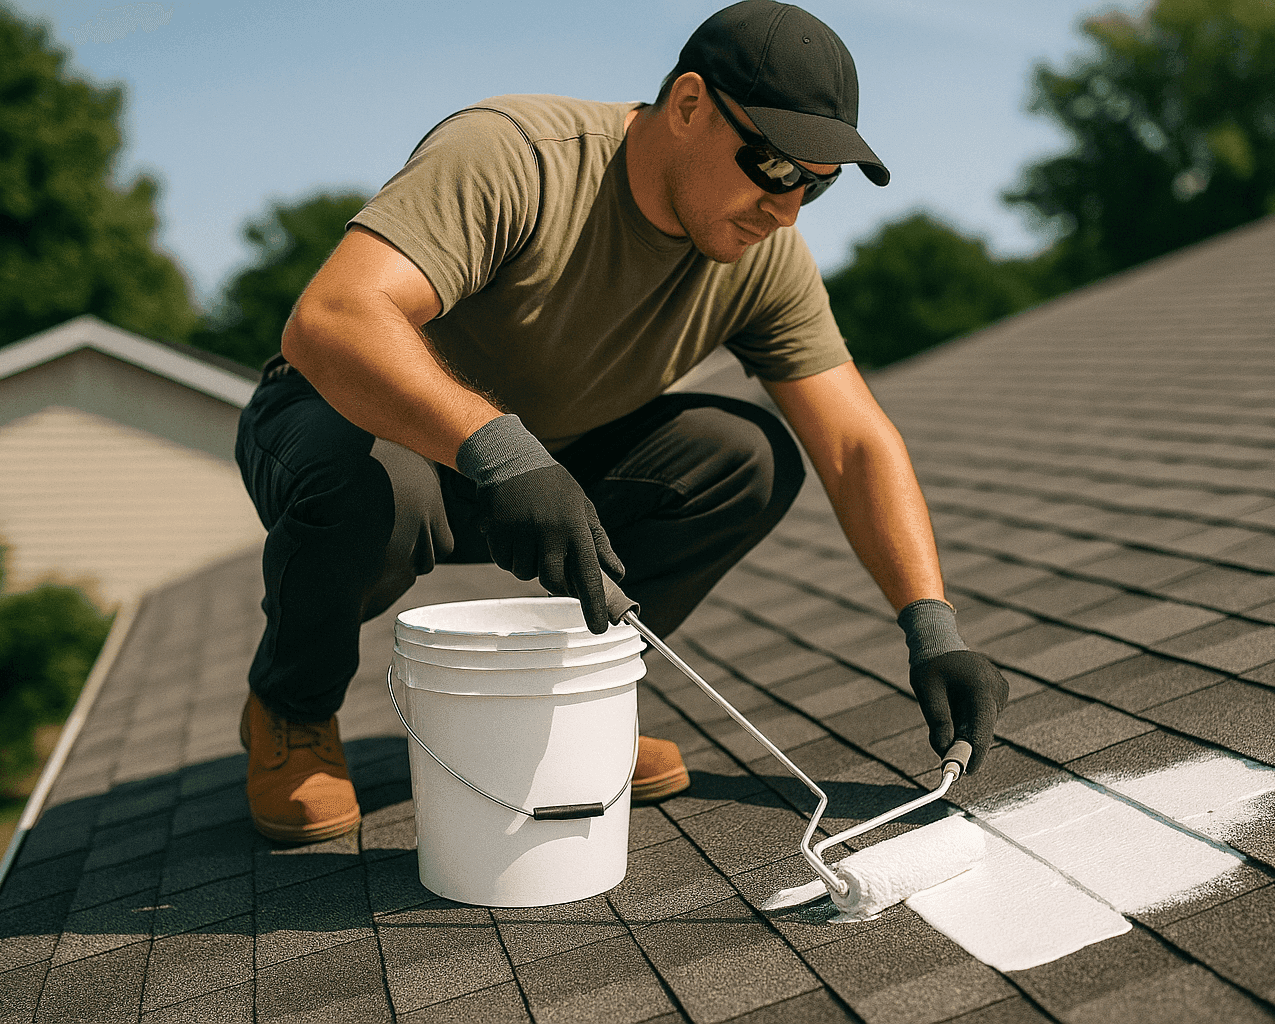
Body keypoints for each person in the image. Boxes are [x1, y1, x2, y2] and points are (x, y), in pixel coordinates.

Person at [234, 0, 1009, 845]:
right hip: (345, 425)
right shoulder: (515, 154)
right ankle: (291, 708)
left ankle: (567, 713)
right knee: (380, 491)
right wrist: (500, 451)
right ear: (687, 107)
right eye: (776, 166)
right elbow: (332, 321)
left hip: (544, 472)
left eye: (817, 188)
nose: (786, 210)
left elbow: (856, 444)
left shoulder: (761, 256)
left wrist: (932, 625)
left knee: (742, 455)